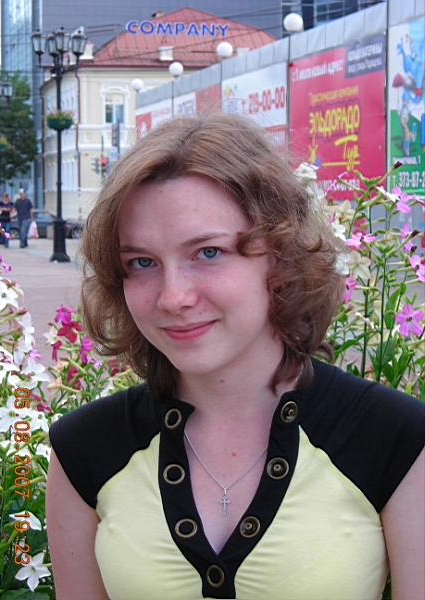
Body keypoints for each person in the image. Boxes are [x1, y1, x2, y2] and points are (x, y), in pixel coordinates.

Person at [47, 112, 424, 600]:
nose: (173, 297)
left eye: (207, 252)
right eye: (142, 262)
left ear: (282, 253)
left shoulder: (395, 438)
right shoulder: (85, 450)